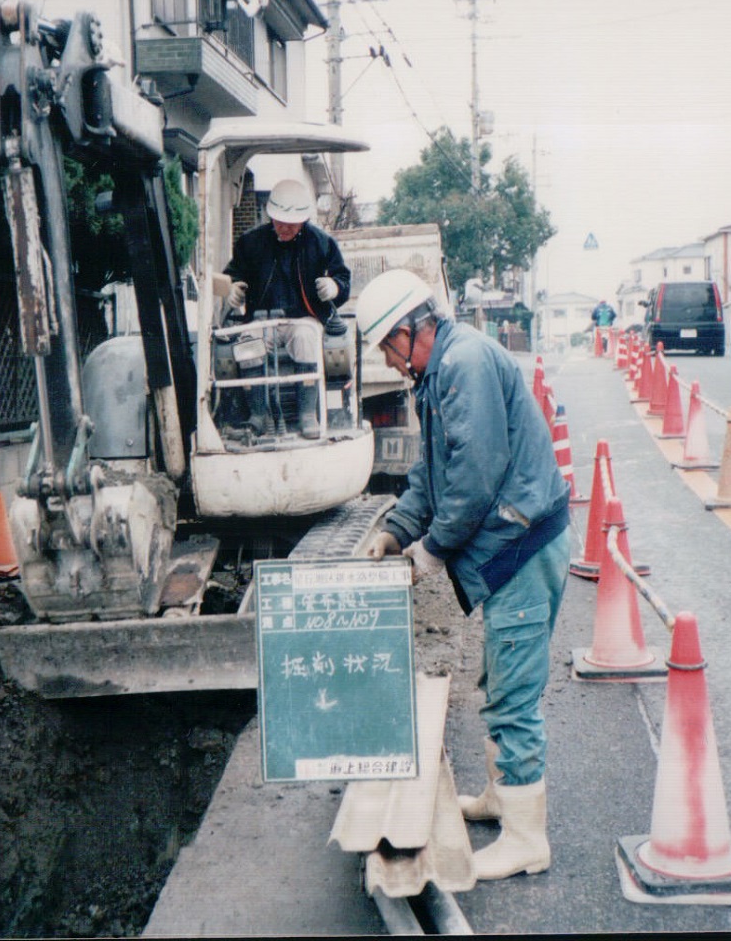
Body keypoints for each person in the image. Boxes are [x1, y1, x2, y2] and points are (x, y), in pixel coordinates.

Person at [356, 268, 571, 882]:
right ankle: (507, 795)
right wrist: (397, 529)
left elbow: (474, 477)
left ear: (407, 330)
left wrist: (433, 549)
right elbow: (431, 472)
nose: (391, 364)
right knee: (499, 672)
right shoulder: (438, 372)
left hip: (523, 541)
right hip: (513, 541)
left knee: (514, 690)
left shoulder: (464, 364)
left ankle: (528, 838)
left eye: (387, 348)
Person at [222, 178, 349, 438]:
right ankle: (258, 414)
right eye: (279, 222)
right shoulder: (251, 243)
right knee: (247, 343)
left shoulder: (321, 242)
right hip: (260, 321)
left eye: (290, 224)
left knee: (305, 337)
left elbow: (343, 279)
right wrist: (231, 290)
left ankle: (306, 414)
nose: (284, 228)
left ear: (303, 221)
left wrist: (334, 287)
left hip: (303, 319)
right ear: (270, 216)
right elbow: (232, 275)